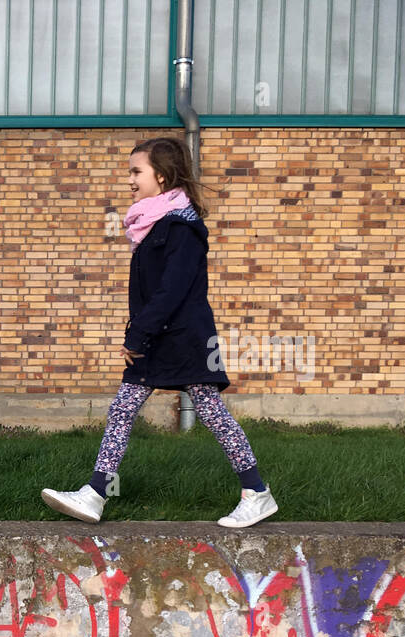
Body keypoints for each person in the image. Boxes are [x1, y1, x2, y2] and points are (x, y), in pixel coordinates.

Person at [41, 136, 277, 529]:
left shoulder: (182, 228)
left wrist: (137, 335)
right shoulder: (152, 226)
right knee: (122, 409)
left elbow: (172, 290)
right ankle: (95, 494)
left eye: (137, 172)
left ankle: (256, 493)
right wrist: (141, 332)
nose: (130, 180)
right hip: (155, 338)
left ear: (162, 176)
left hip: (184, 338)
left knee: (211, 412)